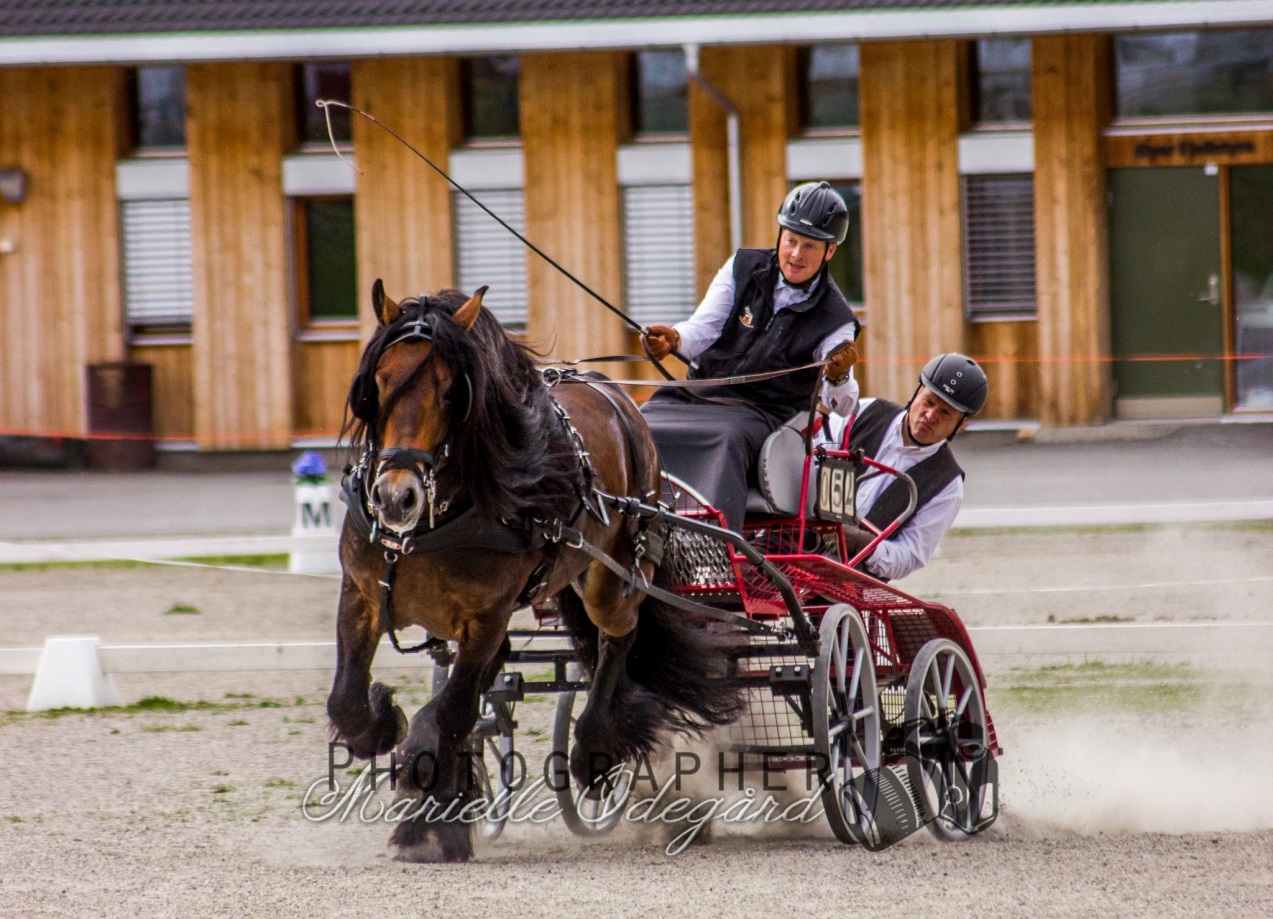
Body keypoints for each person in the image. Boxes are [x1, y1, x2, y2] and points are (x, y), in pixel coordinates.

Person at [641, 181, 861, 531]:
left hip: (759, 414)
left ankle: (714, 546)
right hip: (698, 394)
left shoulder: (837, 320)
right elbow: (704, 330)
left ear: (830, 251)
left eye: (809, 246)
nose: (796, 254)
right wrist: (675, 338)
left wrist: (838, 376)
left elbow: (844, 405)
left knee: (724, 439)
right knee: (639, 422)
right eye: (790, 240)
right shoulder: (742, 265)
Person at [821, 353, 988, 582]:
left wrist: (862, 542)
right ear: (917, 391)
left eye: (945, 413)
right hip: (803, 537)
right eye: (928, 402)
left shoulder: (948, 485)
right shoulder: (864, 412)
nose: (930, 416)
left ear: (962, 424)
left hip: (852, 577)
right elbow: (813, 455)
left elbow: (908, 556)